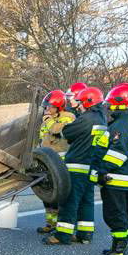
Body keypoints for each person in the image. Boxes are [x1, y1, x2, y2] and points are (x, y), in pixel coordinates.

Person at [90, 83, 128, 255]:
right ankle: (119, 247)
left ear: (121, 103)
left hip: (116, 177)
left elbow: (119, 152)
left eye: (112, 104)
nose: (110, 107)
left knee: (115, 215)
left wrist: (102, 170)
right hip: (126, 178)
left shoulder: (123, 123)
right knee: (122, 215)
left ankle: (119, 252)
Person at [42, 86, 105, 245]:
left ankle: (62, 235)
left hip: (77, 165)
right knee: (86, 201)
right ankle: (85, 235)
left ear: (88, 103)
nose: (79, 105)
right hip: (90, 166)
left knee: (69, 200)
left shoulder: (87, 118)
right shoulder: (101, 119)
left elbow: (67, 133)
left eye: (81, 102)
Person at [36, 90, 76, 234]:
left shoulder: (69, 117)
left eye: (50, 107)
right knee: (48, 194)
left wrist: (47, 119)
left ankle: (61, 225)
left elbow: (56, 130)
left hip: (61, 163)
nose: (47, 109)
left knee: (60, 195)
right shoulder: (48, 118)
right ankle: (50, 223)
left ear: (59, 107)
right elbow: (42, 139)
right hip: (46, 162)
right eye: (46, 107)